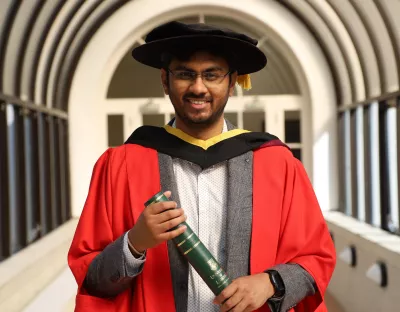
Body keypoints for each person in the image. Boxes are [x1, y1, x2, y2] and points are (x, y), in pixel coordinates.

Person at [68, 21, 336, 312]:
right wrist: (135, 243)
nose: (198, 87)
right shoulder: (121, 165)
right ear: (165, 79)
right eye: (184, 74)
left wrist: (270, 283)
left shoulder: (277, 164)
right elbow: (91, 277)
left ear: (232, 82)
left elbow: (316, 260)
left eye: (212, 74)